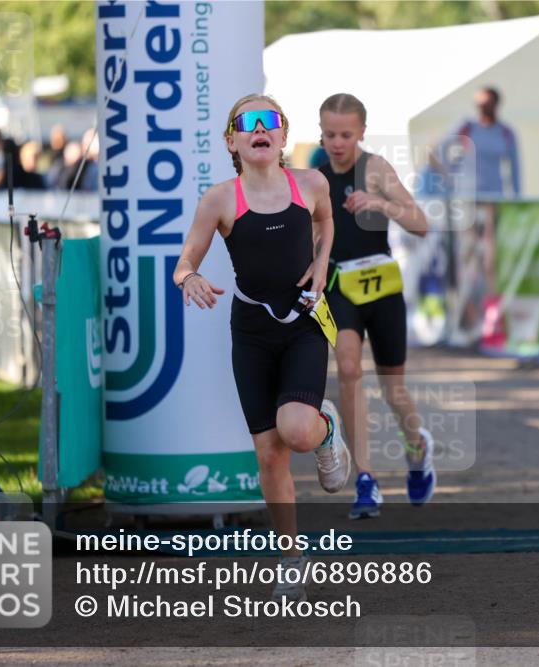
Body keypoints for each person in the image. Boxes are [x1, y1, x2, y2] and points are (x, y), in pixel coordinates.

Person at [173, 94, 349, 602]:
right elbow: (184, 261)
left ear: (282, 137)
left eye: (269, 120)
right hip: (250, 332)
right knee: (269, 453)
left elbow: (326, 222)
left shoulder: (311, 184)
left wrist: (322, 263)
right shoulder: (220, 200)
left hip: (304, 324)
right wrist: (190, 279)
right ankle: (291, 556)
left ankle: (324, 427)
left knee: (296, 431)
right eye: (246, 123)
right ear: (232, 141)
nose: (259, 128)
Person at [317, 93, 434, 520]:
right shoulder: (316, 179)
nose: (337, 142)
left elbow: (421, 223)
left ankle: (417, 450)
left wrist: (379, 203)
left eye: (346, 134)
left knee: (394, 390)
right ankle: (366, 479)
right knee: (348, 369)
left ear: (362, 132)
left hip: (382, 289)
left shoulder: (377, 169)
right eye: (330, 133)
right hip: (340, 286)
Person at [440, 86, 521, 199]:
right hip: (466, 196)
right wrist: (448, 176)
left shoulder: (506, 132)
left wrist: (517, 197)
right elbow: (443, 146)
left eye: (488, 103)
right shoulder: (466, 127)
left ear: (496, 104)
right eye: (480, 104)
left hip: (494, 196)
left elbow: (515, 167)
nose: (483, 107)